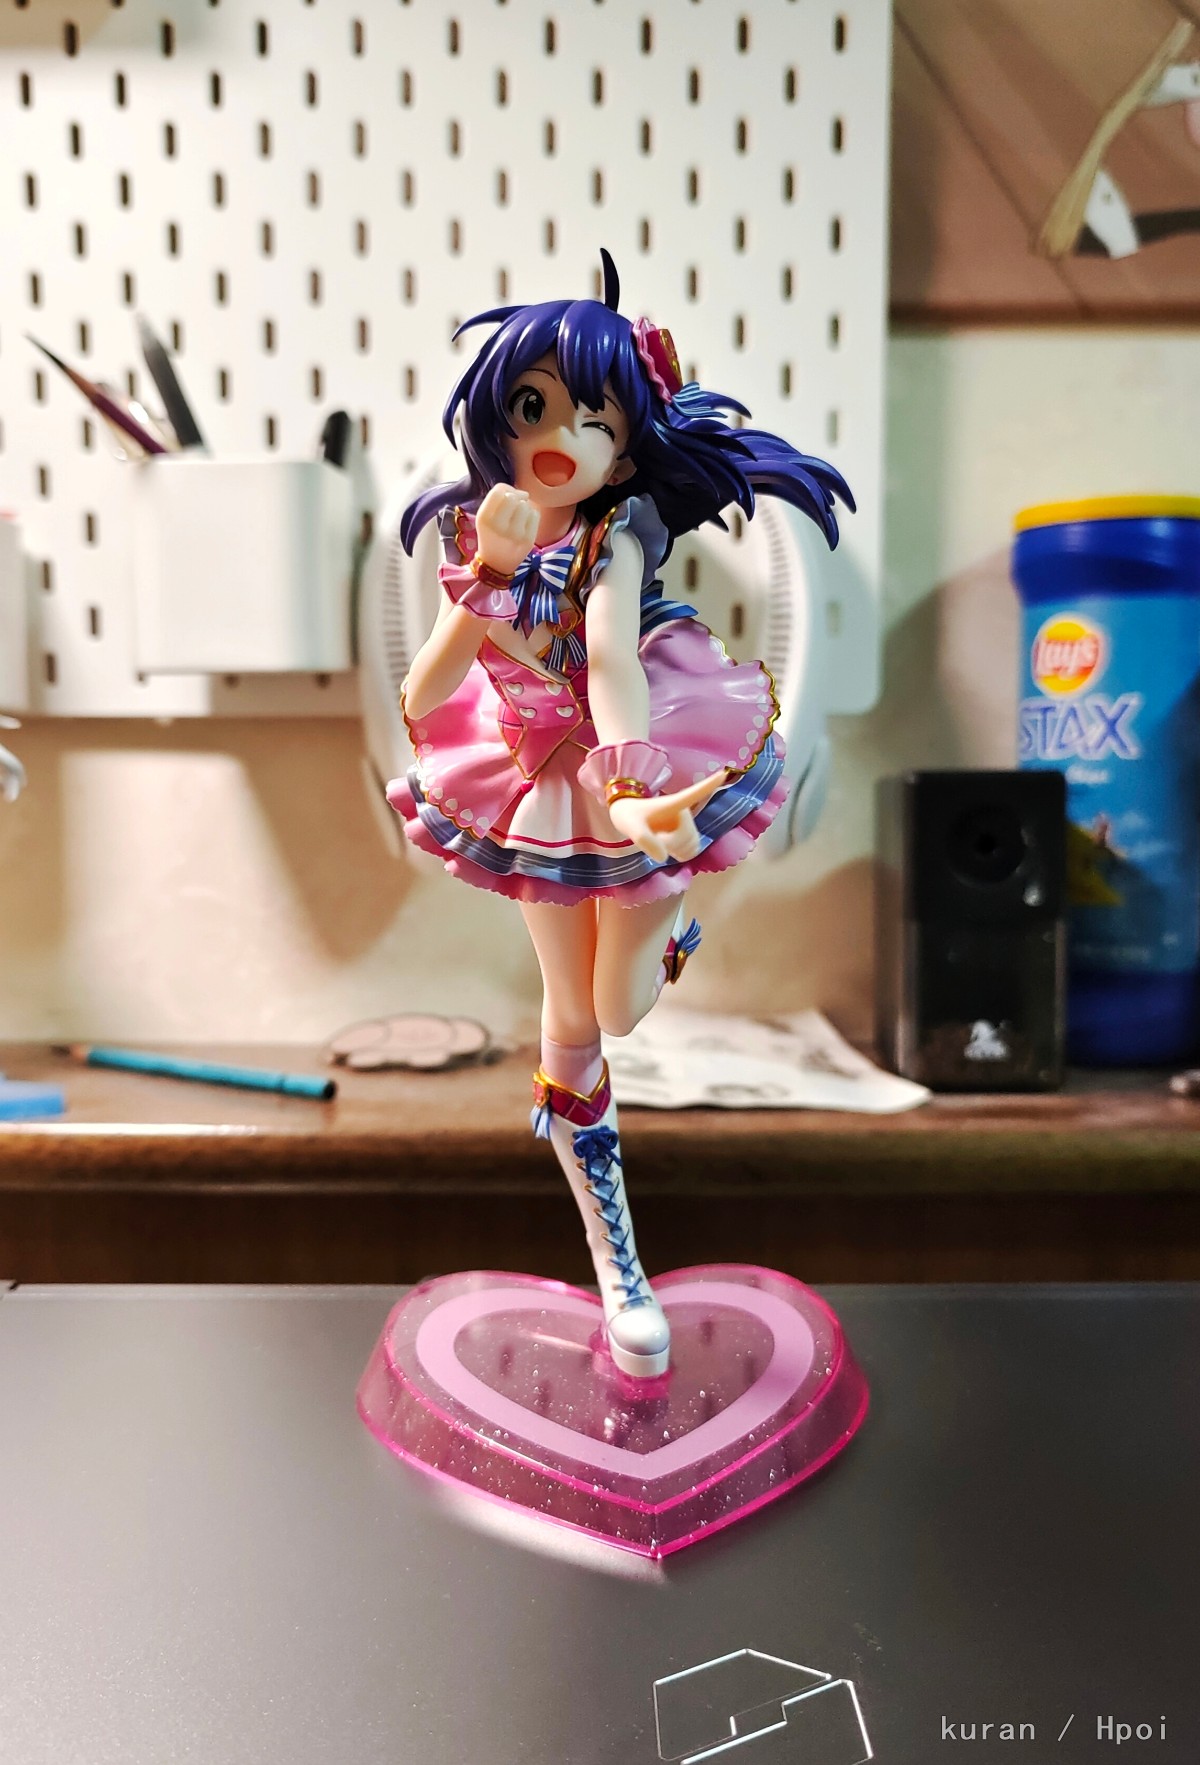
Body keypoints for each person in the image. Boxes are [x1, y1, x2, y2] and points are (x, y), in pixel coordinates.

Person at [389, 250, 852, 1378]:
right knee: (573, 1022)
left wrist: (634, 780)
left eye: (591, 418)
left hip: (630, 749)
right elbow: (422, 697)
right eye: (534, 407)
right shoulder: (480, 536)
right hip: (532, 777)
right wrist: (485, 581)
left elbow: (609, 659)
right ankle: (619, 1269)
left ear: (627, 447)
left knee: (621, 1007)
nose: (560, 436)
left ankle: (671, 917)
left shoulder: (618, 534)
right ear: (496, 420)